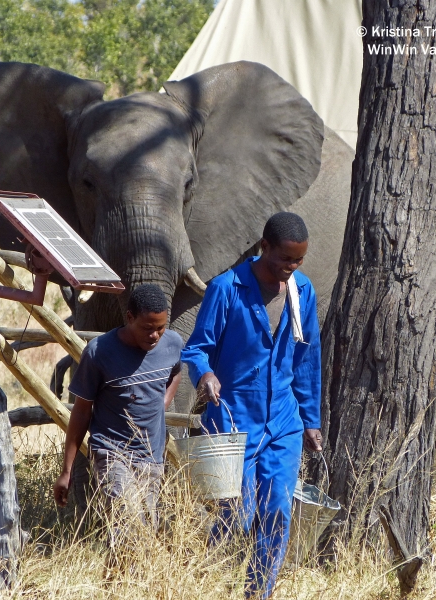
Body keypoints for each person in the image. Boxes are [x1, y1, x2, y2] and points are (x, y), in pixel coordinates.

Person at [181, 211, 323, 599]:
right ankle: (206, 584)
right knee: (236, 515)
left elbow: (306, 359)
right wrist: (205, 374)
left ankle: (257, 593)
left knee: (277, 511)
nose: (290, 268)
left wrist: (310, 419)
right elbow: (196, 348)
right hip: (233, 419)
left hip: (283, 422)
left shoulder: (302, 290)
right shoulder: (226, 288)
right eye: (284, 259)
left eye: (298, 261)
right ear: (264, 247)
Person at [53, 283, 183, 546]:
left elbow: (176, 372)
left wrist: (162, 403)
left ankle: (114, 573)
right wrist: (67, 470)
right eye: (147, 328)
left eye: (160, 328)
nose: (155, 335)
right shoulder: (100, 352)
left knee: (143, 534)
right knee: (128, 524)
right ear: (130, 317)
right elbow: (81, 411)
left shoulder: (172, 343)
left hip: (151, 455)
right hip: (112, 452)